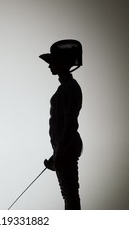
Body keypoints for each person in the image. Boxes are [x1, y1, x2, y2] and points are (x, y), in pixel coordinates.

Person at [40, 39, 83, 210]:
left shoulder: (70, 88)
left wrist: (60, 152)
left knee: (70, 194)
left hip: (67, 148)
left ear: (61, 63)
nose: (49, 66)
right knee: (68, 194)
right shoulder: (63, 88)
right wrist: (56, 153)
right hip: (63, 148)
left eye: (52, 62)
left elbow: (70, 124)